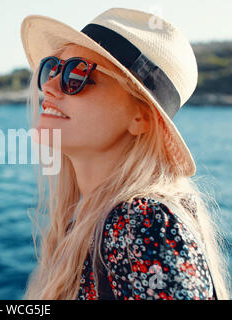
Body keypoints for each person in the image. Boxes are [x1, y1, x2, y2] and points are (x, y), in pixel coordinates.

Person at [20, 7, 230, 300]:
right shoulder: (90, 218)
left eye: (77, 74)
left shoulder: (143, 222)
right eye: (52, 68)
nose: (51, 87)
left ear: (141, 117)